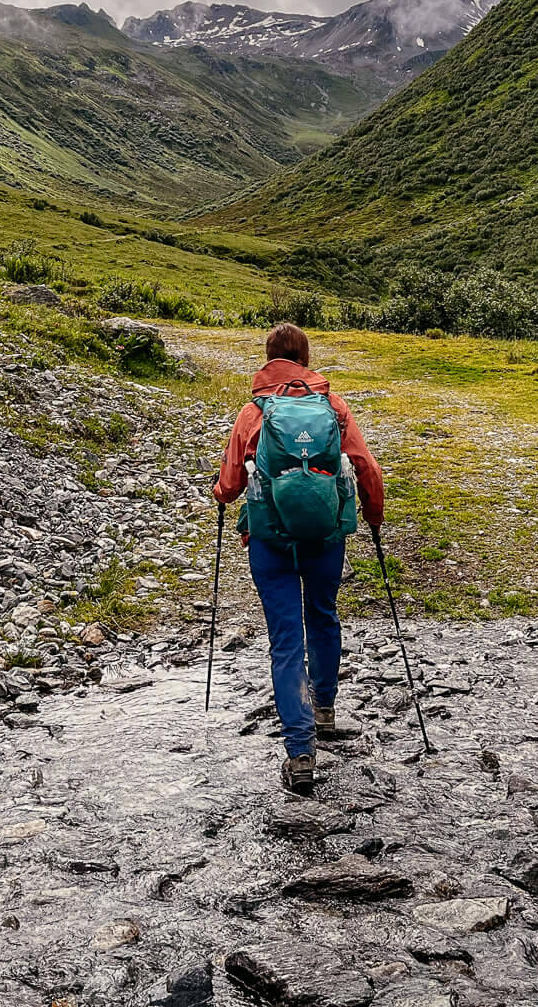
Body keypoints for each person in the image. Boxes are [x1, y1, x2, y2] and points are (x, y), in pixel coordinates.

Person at [213, 322, 385, 794]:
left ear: (268, 359)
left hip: (270, 538)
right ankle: (325, 711)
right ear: (305, 359)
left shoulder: (253, 413)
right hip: (326, 535)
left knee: (286, 638)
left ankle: (300, 751)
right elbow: (366, 466)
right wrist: (373, 513)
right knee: (324, 616)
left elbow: (229, 485)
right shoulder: (332, 406)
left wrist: (221, 493)